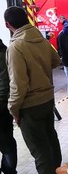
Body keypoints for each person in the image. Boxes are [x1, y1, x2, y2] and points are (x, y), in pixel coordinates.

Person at [4, 6, 62, 174]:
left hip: (29, 106)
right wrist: (40, 68)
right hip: (47, 100)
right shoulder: (41, 39)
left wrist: (13, 108)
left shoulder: (16, 47)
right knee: (51, 142)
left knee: (40, 152)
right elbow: (56, 60)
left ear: (8, 24)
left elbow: (18, 85)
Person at [0, 38, 17, 174]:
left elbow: (5, 83)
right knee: (7, 142)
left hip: (1, 107)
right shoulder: (5, 51)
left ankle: (9, 170)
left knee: (6, 143)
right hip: (3, 105)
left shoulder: (4, 53)